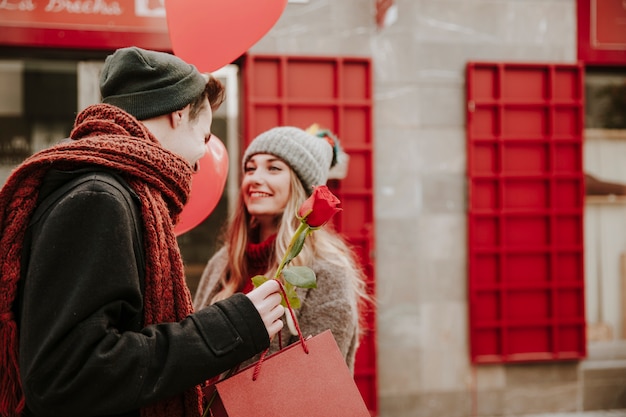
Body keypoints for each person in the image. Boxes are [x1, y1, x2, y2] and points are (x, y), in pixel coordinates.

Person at [0, 46, 285, 417]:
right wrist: (230, 326)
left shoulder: (101, 186)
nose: (202, 161)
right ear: (178, 113)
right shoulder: (99, 198)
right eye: (205, 135)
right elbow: (67, 376)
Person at [193, 126, 368, 372]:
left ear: (300, 186)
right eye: (250, 168)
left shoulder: (326, 270)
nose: (254, 178)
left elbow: (321, 375)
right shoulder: (223, 262)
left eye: (273, 168)